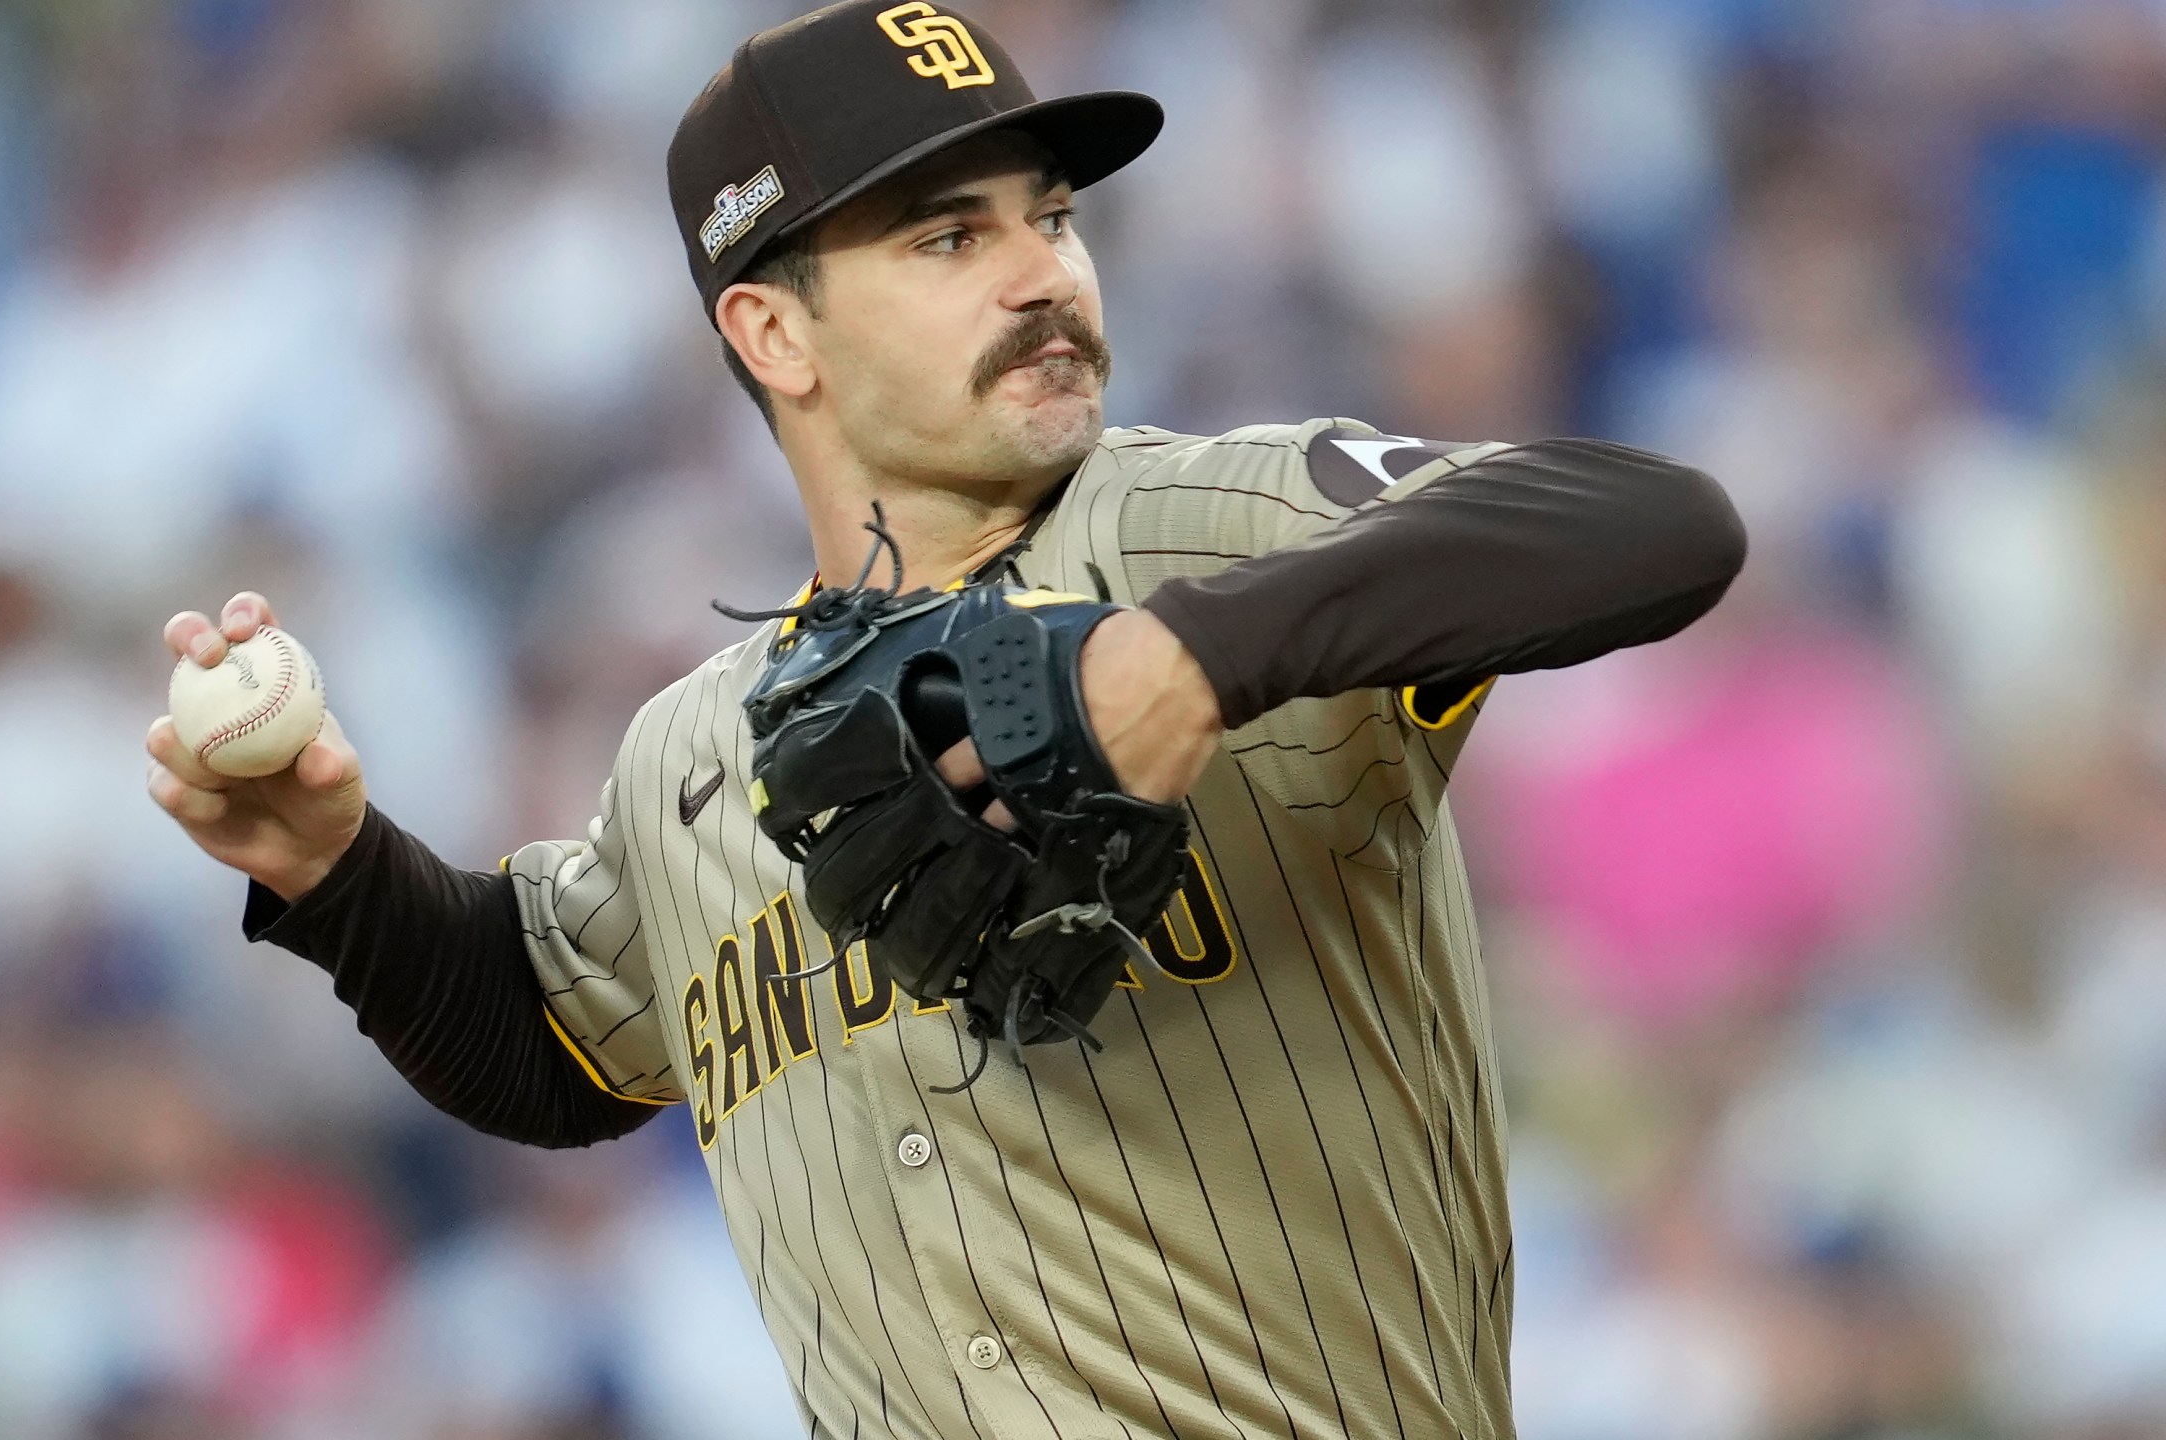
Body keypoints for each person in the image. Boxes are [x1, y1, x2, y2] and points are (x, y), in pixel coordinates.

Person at [144, 4, 1747, 1437]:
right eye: (946, 238)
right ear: (773, 333)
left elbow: (1655, 526)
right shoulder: (689, 756)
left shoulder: (1203, 525)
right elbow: (553, 1048)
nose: (1046, 270)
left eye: (1050, 217)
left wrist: (1190, 658)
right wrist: (337, 874)